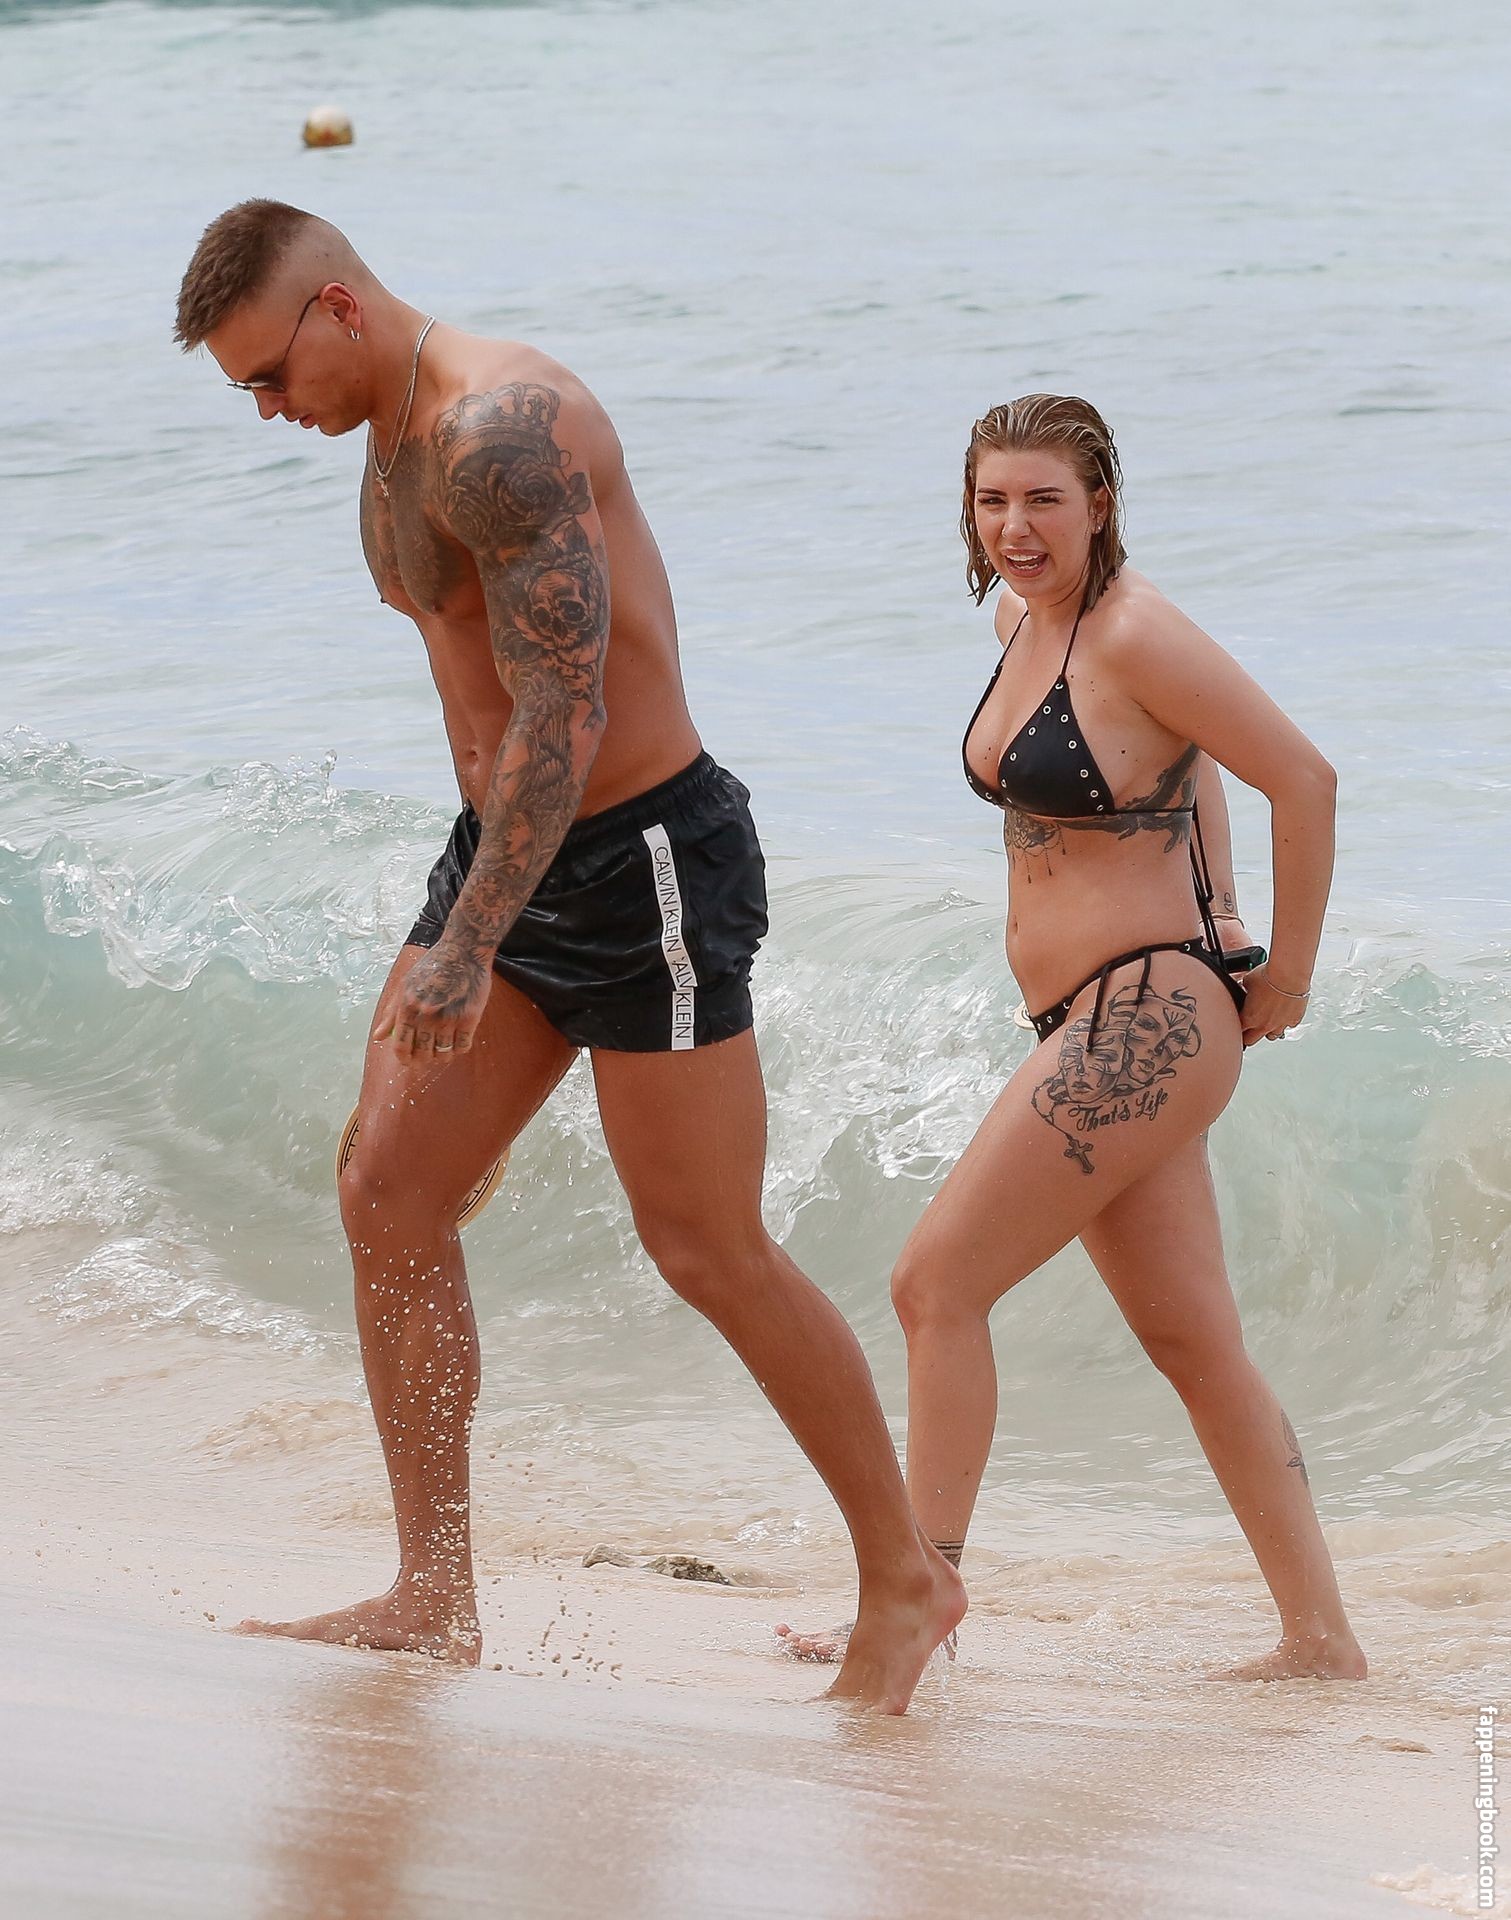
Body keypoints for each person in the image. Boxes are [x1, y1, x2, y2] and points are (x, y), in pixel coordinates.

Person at [173, 199, 963, 1710]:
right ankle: (433, 1593)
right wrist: (476, 902)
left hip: (640, 858)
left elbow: (566, 709)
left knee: (705, 1250)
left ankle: (906, 1577)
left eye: (269, 374)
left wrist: (466, 944)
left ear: (337, 308)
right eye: (244, 391)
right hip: (508, 852)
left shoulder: (501, 432)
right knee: (388, 1191)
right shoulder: (387, 442)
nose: (266, 410)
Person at [779, 394, 1366, 1682]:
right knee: (1194, 1342)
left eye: (1044, 499)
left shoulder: (1136, 630)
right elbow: (1184, 765)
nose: (1016, 527)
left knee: (935, 1285)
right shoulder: (1021, 622)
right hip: (1091, 1015)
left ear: (1100, 502)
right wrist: (1219, 906)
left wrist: (1284, 970)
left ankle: (920, 1589)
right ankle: (1322, 1643)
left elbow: (1303, 778)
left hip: (1150, 1012)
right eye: (992, 501)